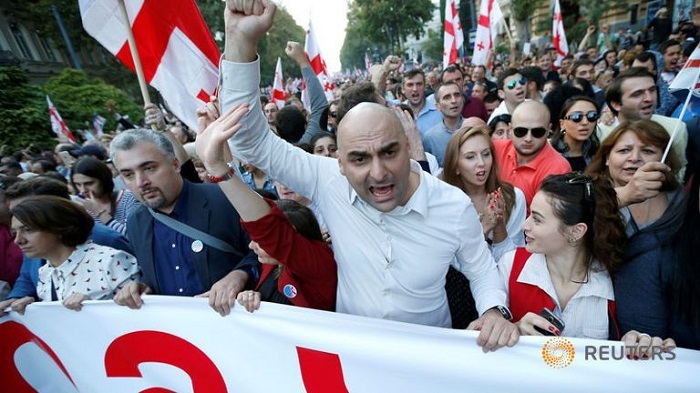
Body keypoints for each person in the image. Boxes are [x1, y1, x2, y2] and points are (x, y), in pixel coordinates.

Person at [221, 0, 518, 352]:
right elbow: (250, 142)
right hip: (354, 360)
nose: (378, 173)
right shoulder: (325, 179)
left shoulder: (453, 205)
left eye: (389, 152)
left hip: (431, 360)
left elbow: (481, 270)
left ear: (410, 146)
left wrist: (495, 311)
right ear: (340, 163)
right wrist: (240, 43)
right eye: (359, 158)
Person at [195, 103, 337, 312]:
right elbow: (244, 204)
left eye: (259, 241)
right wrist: (250, 295)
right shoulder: (271, 263)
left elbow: (265, 225)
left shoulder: (316, 265)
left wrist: (216, 166)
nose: (251, 246)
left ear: (294, 237)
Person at [110, 129, 258, 316]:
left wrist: (240, 275)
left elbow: (270, 253)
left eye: (149, 168)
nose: (141, 182)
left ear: (175, 164)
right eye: (128, 175)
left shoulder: (226, 200)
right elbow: (155, 277)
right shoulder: (135, 223)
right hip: (182, 339)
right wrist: (141, 288)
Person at [586, 120, 684, 341]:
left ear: (664, 159)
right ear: (607, 158)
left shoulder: (683, 204)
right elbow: (567, 224)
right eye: (624, 150)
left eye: (648, 151)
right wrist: (625, 195)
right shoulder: (587, 195)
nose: (635, 158)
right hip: (605, 320)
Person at [499, 172, 626, 339]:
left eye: (537, 219)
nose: (525, 225)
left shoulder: (614, 279)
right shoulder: (511, 264)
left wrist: (634, 339)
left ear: (576, 231)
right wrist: (514, 329)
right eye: (530, 215)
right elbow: (478, 337)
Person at [0, 176, 132, 314]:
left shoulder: (109, 247)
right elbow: (26, 277)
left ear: (55, 213)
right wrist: (16, 299)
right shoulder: (44, 270)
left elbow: (140, 303)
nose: (18, 240)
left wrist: (95, 307)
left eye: (28, 225)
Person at [442, 126, 526, 261]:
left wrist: (499, 229)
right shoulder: (443, 204)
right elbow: (451, 264)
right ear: (455, 166)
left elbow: (515, 261)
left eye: (486, 154)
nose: (482, 163)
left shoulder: (513, 197)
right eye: (470, 157)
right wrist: (484, 229)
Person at [599, 67, 688, 179]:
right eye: (637, 94)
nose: (649, 98)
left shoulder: (675, 128)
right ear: (616, 104)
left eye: (652, 90)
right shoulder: (598, 134)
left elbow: (678, 172)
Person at [493, 100, 572, 207]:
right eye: (520, 131)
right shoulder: (495, 149)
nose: (528, 138)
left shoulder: (558, 168)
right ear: (510, 129)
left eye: (537, 132)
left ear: (548, 130)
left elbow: (546, 217)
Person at [71, 157, 139, 236]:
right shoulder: (83, 208)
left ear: (103, 179)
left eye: (89, 183)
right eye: (78, 185)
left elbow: (133, 237)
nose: (83, 190)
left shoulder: (128, 198)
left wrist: (100, 213)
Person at [551, 96, 600, 172]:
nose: (585, 122)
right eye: (576, 117)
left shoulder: (597, 153)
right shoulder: (547, 151)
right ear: (562, 123)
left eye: (592, 116)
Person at [423, 82, 465, 165]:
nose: (453, 101)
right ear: (438, 106)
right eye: (447, 97)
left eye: (457, 95)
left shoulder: (475, 127)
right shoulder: (430, 138)